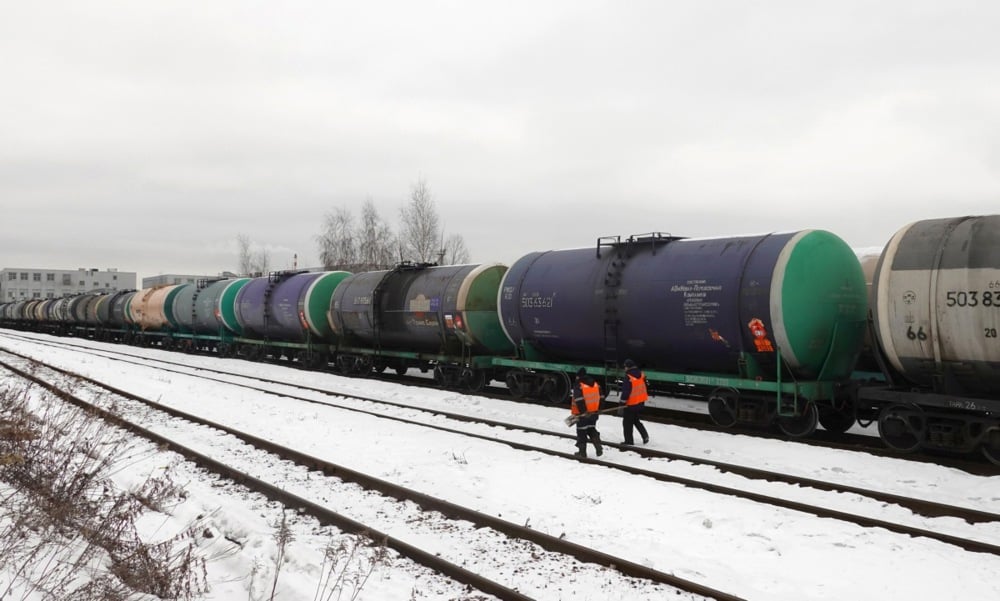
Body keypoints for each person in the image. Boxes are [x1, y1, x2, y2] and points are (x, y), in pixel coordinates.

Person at [570, 367, 603, 457]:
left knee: (581, 432)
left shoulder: (579, 385)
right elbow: (602, 397)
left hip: (582, 414)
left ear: (578, 376)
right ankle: (598, 446)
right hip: (594, 413)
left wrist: (584, 412)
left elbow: (579, 400)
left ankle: (582, 453)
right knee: (591, 429)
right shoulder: (596, 384)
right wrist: (599, 409)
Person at [620, 359, 650, 445]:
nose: (624, 368)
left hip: (631, 404)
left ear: (628, 367)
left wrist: (622, 402)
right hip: (640, 402)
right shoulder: (641, 374)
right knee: (635, 420)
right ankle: (645, 435)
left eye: (625, 367)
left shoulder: (629, 377)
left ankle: (629, 441)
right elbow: (646, 385)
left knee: (627, 423)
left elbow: (626, 392)